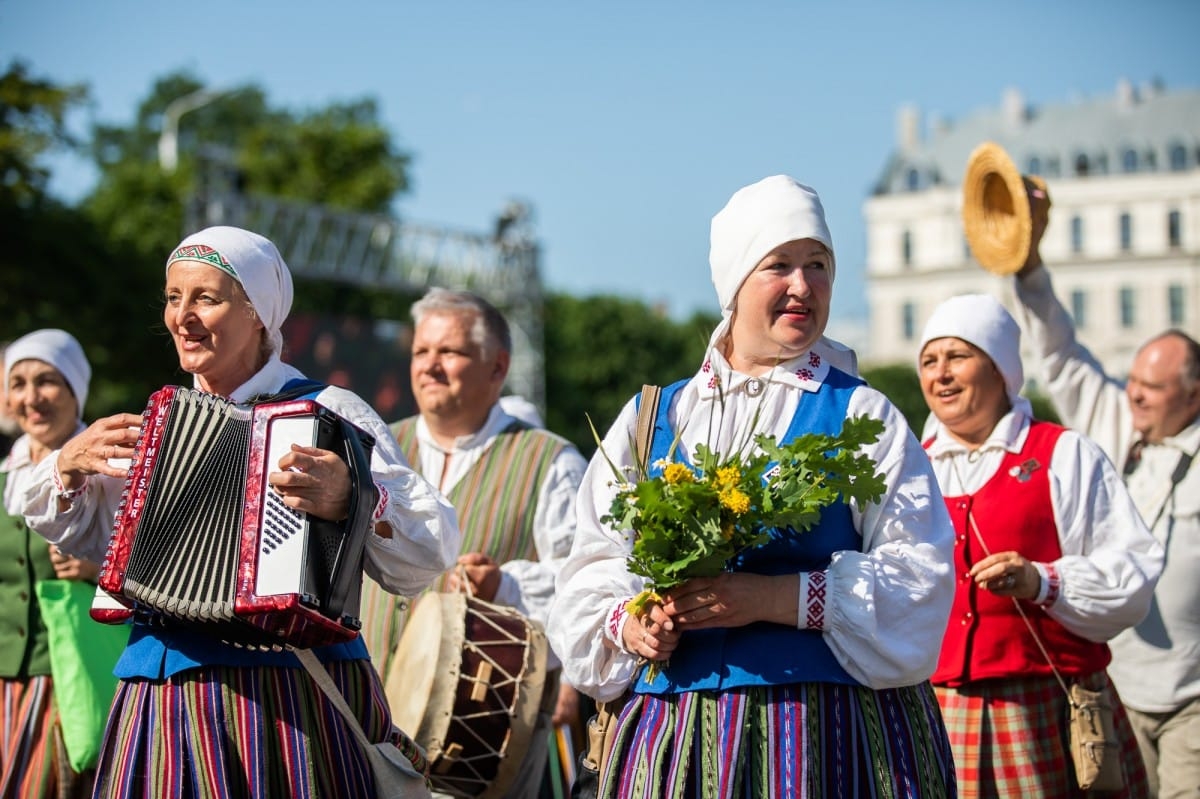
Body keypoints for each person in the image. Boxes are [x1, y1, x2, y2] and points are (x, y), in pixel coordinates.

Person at [545, 175, 959, 798]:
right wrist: (632, 623)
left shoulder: (862, 416)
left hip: (825, 736)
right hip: (672, 736)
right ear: (735, 283)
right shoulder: (655, 417)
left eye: (818, 265)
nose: (803, 286)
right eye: (780, 265)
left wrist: (774, 599)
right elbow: (595, 562)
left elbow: (918, 580)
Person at [18, 226, 460, 798]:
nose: (183, 316)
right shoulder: (158, 427)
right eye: (174, 297)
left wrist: (355, 498)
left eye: (206, 297)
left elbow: (427, 548)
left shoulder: (326, 410)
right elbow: (63, 522)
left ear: (257, 313)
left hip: (291, 699)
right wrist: (68, 465)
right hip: (165, 693)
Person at [917, 293, 1162, 797]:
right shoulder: (912, 469)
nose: (940, 374)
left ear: (1001, 369)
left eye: (958, 356)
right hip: (940, 708)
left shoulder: (1063, 454)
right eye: (928, 360)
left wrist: (1042, 580)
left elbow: (1131, 570)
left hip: (1042, 705)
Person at [358, 287, 588, 799]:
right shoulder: (373, 449)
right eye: (422, 351)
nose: (430, 366)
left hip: (481, 747)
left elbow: (589, 589)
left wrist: (505, 584)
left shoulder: (549, 460)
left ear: (498, 366)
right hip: (364, 729)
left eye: (451, 352)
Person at [1009, 188, 1200, 799]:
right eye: (1134, 382)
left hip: (1193, 696)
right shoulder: (1118, 421)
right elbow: (1061, 351)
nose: (1135, 395)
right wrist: (1028, 261)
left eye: (1153, 388)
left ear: (1193, 396)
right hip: (1117, 686)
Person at [1, 329, 109, 797]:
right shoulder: (5, 476)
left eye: (46, 381)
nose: (32, 397)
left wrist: (97, 572)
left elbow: (158, 570)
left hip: (70, 681)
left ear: (74, 390)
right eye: (18, 383)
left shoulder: (107, 475)